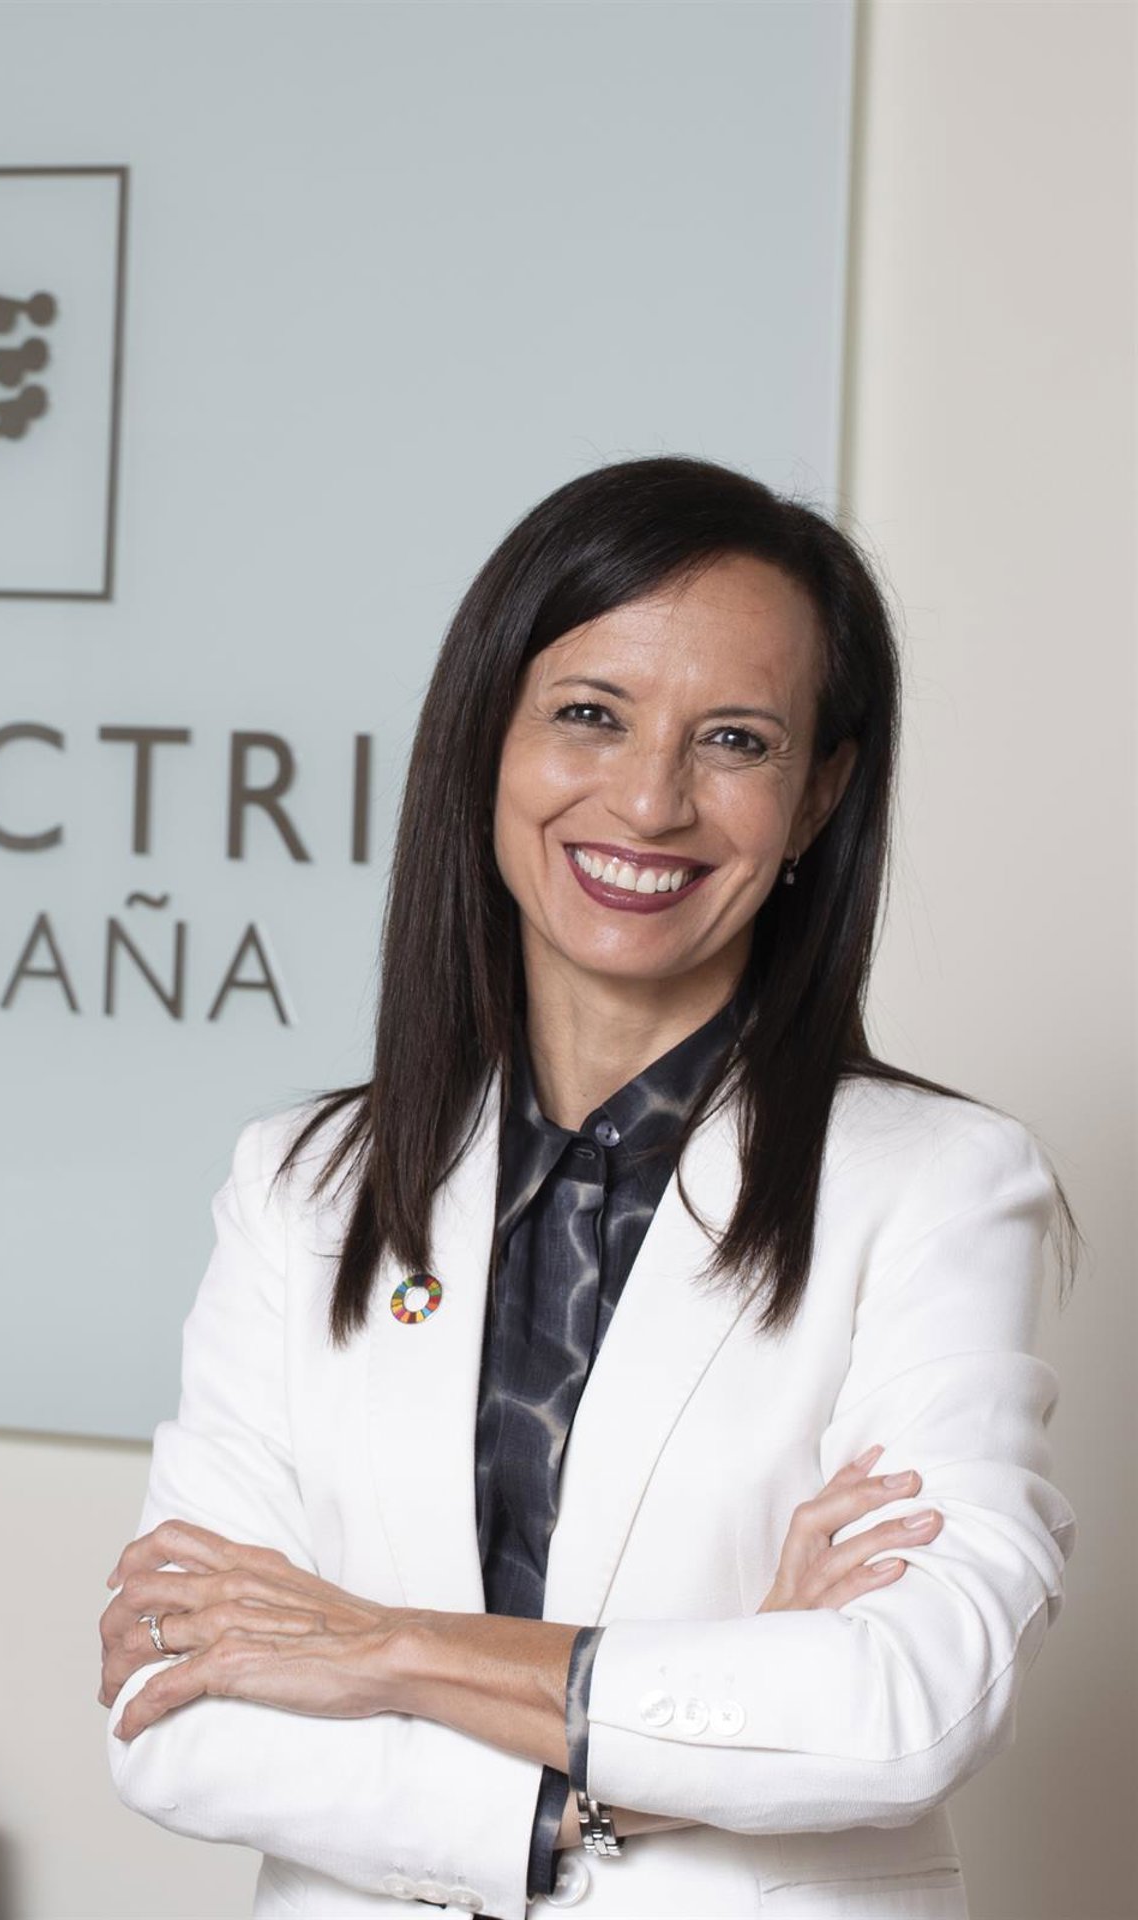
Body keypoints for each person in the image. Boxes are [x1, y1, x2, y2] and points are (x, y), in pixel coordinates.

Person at [97, 456, 1080, 1919]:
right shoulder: (301, 1188)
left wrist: (381, 1648)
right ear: (486, 740)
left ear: (818, 796)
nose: (649, 798)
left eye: (735, 740)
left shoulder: (938, 1187)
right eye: (589, 715)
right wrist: (655, 1753)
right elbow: (175, 1707)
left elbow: (906, 1707)